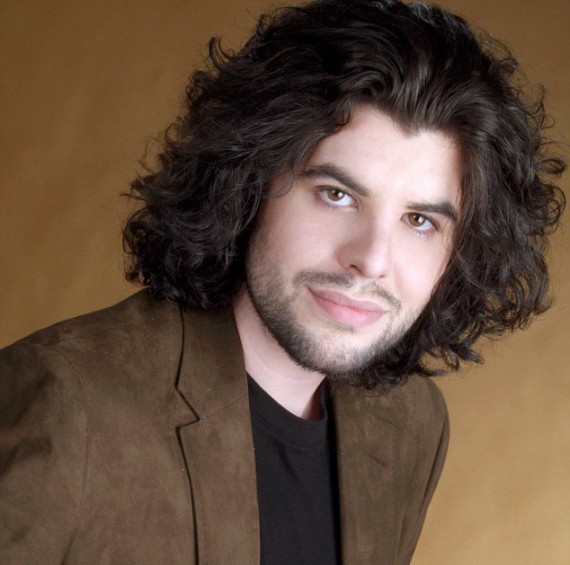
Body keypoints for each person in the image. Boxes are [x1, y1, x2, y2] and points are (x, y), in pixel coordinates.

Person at [0, 0, 565, 563]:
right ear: (247, 184)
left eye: (419, 221)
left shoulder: (410, 423)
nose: (371, 260)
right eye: (336, 195)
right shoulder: (63, 401)